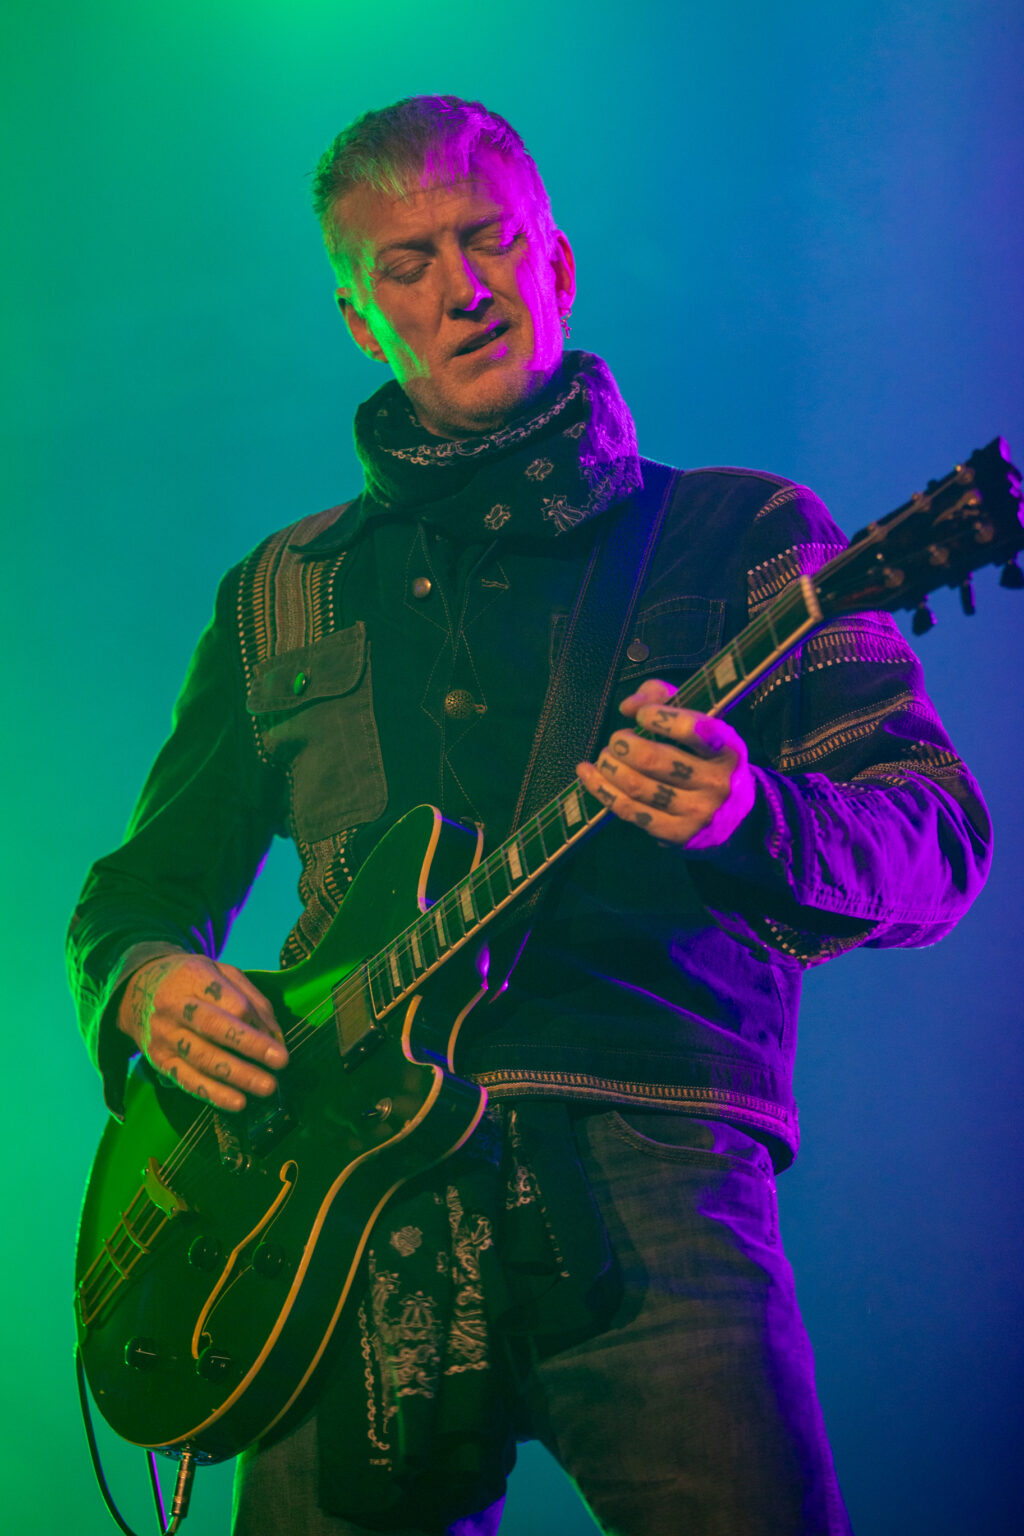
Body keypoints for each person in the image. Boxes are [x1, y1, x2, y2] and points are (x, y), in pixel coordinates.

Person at [68, 97, 991, 1536]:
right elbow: (142, 888)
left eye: (490, 240)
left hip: (647, 1179)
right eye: (409, 262)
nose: (463, 285)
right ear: (358, 316)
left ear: (556, 261)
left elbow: (937, 841)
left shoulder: (751, 537)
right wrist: (145, 984)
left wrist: (747, 814)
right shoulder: (280, 589)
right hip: (333, 1222)